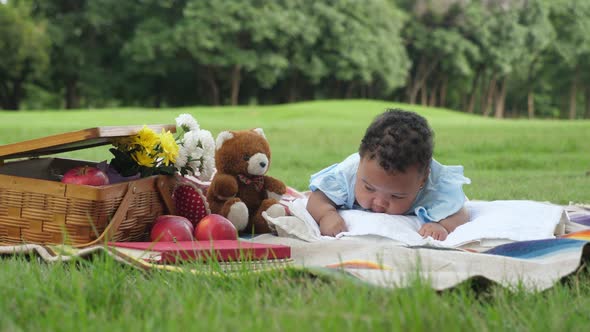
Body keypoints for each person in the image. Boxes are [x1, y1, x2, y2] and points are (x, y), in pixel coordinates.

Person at [306, 109, 470, 241]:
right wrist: (327, 215)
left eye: (396, 196)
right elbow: (317, 198)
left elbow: (460, 213)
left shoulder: (433, 187)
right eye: (369, 188)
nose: (379, 203)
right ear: (360, 162)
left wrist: (443, 226)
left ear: (422, 180)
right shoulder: (348, 173)